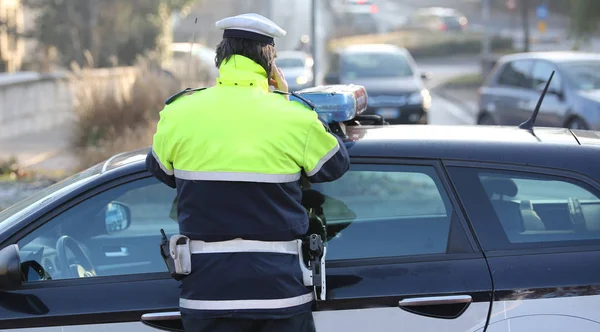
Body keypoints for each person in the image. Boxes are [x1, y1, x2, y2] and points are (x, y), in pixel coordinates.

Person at [146, 13, 350, 332]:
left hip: (206, 297)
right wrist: (289, 98)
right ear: (269, 63)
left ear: (221, 58)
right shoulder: (293, 117)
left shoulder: (179, 113)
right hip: (279, 295)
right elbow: (335, 165)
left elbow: (159, 169)